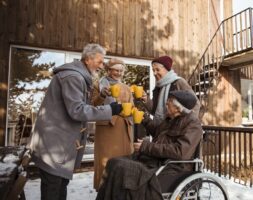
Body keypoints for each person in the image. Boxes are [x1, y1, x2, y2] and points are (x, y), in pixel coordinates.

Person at [27, 43, 123, 200]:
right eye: (99, 61)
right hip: (54, 147)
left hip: (57, 146)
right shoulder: (73, 77)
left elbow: (83, 106)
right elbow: (77, 110)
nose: (102, 65)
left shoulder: (79, 76)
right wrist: (110, 110)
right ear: (87, 59)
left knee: (59, 186)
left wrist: (103, 97)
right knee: (53, 190)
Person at [96, 90, 203, 200]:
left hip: (171, 166)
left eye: (169, 101)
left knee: (122, 168)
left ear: (178, 108)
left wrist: (146, 147)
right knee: (113, 163)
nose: (166, 103)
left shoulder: (193, 124)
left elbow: (180, 152)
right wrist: (144, 119)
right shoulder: (171, 119)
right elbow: (158, 131)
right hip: (154, 160)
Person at [92, 58, 134, 190]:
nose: (119, 73)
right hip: (106, 128)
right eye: (116, 70)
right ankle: (104, 190)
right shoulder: (98, 85)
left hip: (123, 127)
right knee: (106, 161)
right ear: (109, 70)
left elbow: (131, 107)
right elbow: (92, 105)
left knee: (123, 160)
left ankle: (121, 190)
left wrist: (130, 111)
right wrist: (102, 96)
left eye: (121, 71)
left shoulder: (126, 88)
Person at [142, 55, 200, 126]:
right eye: (153, 70)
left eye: (157, 70)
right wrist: (146, 99)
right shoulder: (158, 87)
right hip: (160, 129)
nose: (154, 73)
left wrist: (187, 124)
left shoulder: (178, 82)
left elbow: (196, 104)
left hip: (176, 129)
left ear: (166, 69)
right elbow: (154, 111)